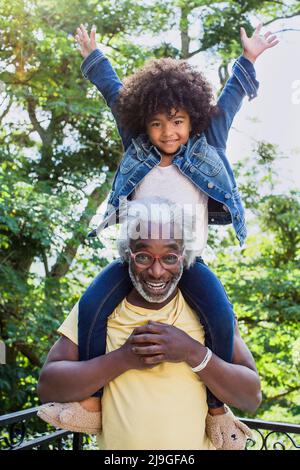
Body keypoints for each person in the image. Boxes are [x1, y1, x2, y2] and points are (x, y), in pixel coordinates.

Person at [37, 23, 278, 446]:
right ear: (142, 124)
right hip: (134, 254)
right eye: (157, 124)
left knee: (220, 317)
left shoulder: (208, 144)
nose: (169, 133)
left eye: (179, 122)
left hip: (188, 261)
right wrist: (94, 57)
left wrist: (249, 59)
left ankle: (217, 411)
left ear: (194, 119)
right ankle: (91, 404)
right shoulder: (138, 147)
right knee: (93, 307)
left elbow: (230, 100)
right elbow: (115, 95)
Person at [38, 198, 261, 450]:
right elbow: (48, 387)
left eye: (169, 257)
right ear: (127, 255)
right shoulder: (100, 310)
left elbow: (250, 396)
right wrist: (123, 358)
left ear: (184, 256)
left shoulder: (207, 313)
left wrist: (192, 352)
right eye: (143, 256)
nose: (156, 271)